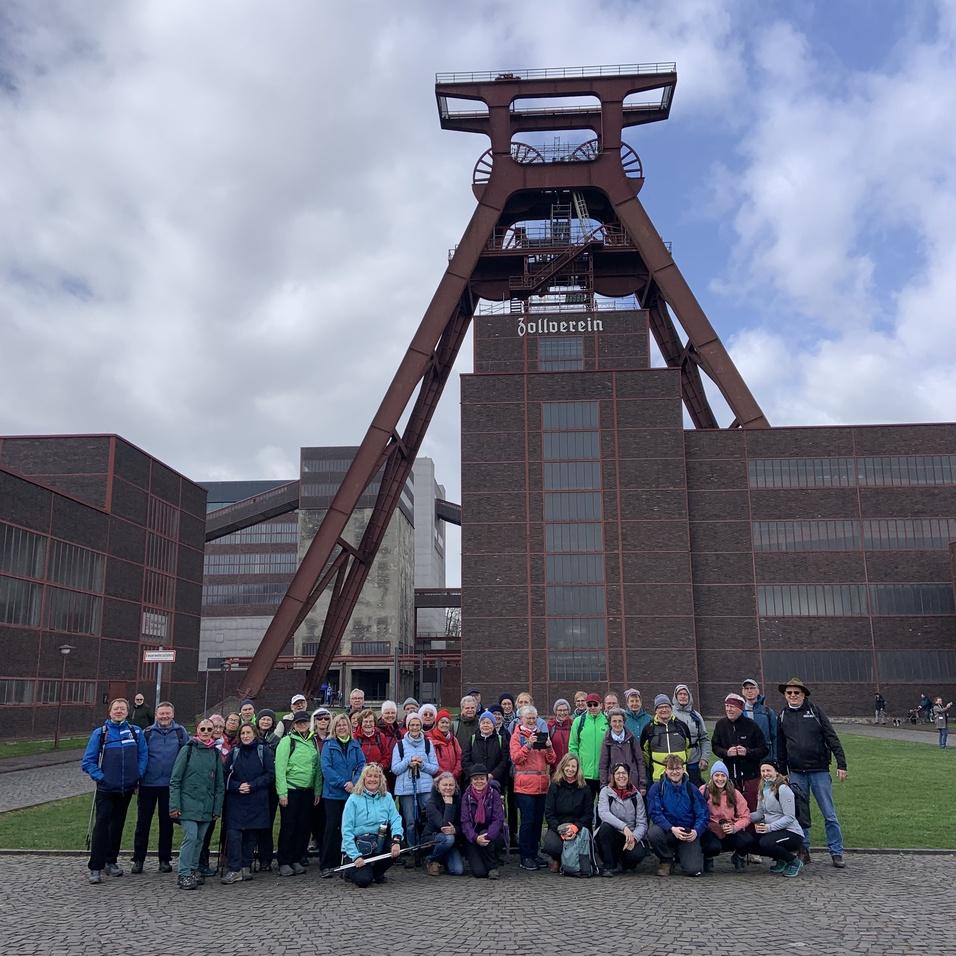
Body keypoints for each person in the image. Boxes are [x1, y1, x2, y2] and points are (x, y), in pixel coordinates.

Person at [776, 677, 848, 868]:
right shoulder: (782, 715)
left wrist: (842, 764)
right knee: (801, 814)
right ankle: (803, 850)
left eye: (796, 693)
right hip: (797, 773)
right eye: (789, 693)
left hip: (819, 771)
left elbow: (832, 737)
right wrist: (782, 772)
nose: (793, 696)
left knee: (829, 813)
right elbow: (781, 746)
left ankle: (836, 851)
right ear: (785, 695)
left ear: (803, 694)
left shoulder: (815, 712)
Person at [81, 698, 148, 884]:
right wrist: (101, 777)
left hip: (126, 789)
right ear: (110, 712)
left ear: (128, 712)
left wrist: (137, 774)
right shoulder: (101, 733)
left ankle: (111, 861)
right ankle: (96, 866)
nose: (119, 711)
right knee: (102, 826)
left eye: (123, 709)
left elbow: (143, 756)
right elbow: (88, 761)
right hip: (106, 789)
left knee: (117, 826)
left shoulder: (136, 732)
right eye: (116, 709)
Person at [131, 700, 188, 874]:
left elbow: (186, 754)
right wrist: (137, 780)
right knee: (143, 824)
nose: (164, 716)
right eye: (161, 713)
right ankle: (138, 859)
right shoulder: (146, 733)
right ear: (156, 715)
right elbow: (139, 756)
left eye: (167, 713)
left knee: (167, 824)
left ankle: (165, 859)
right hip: (148, 784)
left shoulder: (180, 732)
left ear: (173, 714)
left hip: (170, 786)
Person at [169, 718, 224, 890]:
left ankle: (193, 870)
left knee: (200, 840)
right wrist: (174, 805)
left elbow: (219, 784)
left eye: (209, 729)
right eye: (203, 729)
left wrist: (216, 808)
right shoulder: (188, 750)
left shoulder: (214, 753)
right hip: (187, 803)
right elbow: (175, 779)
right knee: (191, 837)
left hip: (206, 805)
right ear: (197, 730)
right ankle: (184, 873)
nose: (206, 732)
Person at [221, 722, 275, 884]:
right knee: (234, 834)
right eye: (243, 733)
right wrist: (237, 787)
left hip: (256, 798)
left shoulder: (263, 751)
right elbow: (224, 775)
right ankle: (234, 868)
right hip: (236, 799)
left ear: (254, 734)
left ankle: (245, 866)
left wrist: (252, 785)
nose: (245, 736)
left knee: (251, 835)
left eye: (248, 733)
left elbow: (270, 775)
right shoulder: (234, 752)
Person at [340, 763, 404, 888]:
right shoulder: (353, 799)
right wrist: (355, 856)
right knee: (364, 881)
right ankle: (350, 871)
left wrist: (396, 840)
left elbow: (396, 819)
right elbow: (346, 830)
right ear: (363, 779)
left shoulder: (387, 797)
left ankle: (376, 872)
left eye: (376, 776)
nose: (373, 779)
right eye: (369, 776)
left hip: (378, 842)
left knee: (398, 846)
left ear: (381, 779)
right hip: (358, 846)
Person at [510, 704, 557, 870]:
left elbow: (551, 760)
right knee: (527, 822)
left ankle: (534, 853)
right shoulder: (517, 736)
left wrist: (550, 746)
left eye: (533, 718)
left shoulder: (541, 735)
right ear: (521, 719)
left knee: (537, 822)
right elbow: (516, 758)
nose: (531, 721)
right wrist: (528, 745)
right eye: (528, 718)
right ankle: (525, 856)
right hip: (524, 786)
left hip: (541, 785)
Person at [275, 710, 322, 877]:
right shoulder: (287, 741)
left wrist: (317, 789)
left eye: (304, 722)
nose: (302, 725)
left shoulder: (312, 742)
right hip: (292, 790)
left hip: (307, 791)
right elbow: (280, 768)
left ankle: (296, 857)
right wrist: (282, 793)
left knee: (303, 827)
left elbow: (316, 768)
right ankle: (284, 861)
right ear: (294, 725)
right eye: (299, 722)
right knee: (289, 826)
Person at [646, 754, 708, 878]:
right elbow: (655, 813)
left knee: (694, 870)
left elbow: (703, 814)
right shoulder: (657, 788)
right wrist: (671, 828)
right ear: (666, 770)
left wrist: (696, 831)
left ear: (683, 769)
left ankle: (682, 856)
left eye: (678, 768)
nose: (675, 772)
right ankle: (666, 859)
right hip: (668, 831)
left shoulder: (692, 789)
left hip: (687, 832)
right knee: (653, 833)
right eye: (671, 769)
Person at [319, 712, 365, 876]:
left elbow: (361, 765)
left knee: (350, 828)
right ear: (334, 727)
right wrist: (343, 783)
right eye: (338, 725)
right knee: (332, 828)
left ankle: (347, 860)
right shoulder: (328, 745)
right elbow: (326, 768)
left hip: (351, 793)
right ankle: (327, 864)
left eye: (344, 724)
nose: (341, 727)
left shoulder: (355, 744)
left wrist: (354, 782)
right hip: (333, 794)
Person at [392, 712, 439, 862]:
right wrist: (408, 762)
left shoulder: (427, 744)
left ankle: (427, 847)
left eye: (417, 724)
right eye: (412, 724)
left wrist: (422, 764)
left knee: (427, 818)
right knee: (410, 821)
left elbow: (434, 768)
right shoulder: (399, 745)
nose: (414, 727)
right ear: (407, 726)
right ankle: (412, 850)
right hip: (407, 788)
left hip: (425, 788)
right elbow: (395, 769)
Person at [710, 693, 768, 811]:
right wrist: (726, 753)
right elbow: (715, 746)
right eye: (726, 706)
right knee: (731, 808)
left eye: (732, 706)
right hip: (729, 776)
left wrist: (747, 752)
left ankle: (752, 830)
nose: (728, 709)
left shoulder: (751, 725)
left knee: (752, 808)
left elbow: (764, 749)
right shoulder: (721, 725)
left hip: (750, 776)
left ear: (740, 708)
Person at [751, 760, 805, 878]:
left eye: (768, 770)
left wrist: (769, 827)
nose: (766, 773)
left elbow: (790, 817)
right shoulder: (762, 788)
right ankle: (782, 859)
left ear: (776, 772)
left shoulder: (783, 789)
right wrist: (743, 818)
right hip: (774, 831)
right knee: (749, 840)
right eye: (763, 771)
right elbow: (760, 813)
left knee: (766, 843)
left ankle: (793, 862)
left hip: (791, 832)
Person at [542, 754, 593, 874]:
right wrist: (561, 830)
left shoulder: (585, 788)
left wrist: (575, 827)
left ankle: (575, 862)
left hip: (578, 826)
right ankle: (558, 859)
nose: (570, 769)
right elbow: (549, 813)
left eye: (573, 766)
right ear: (562, 767)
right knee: (551, 846)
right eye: (568, 766)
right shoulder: (555, 785)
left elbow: (588, 814)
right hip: (558, 826)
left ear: (578, 768)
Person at [698, 759, 753, 872]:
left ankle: (739, 857)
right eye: (717, 775)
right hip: (711, 830)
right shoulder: (704, 791)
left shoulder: (735, 793)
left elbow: (746, 816)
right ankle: (708, 858)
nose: (720, 779)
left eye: (723, 775)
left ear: (727, 777)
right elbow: (699, 813)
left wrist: (734, 827)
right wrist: (712, 825)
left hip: (730, 829)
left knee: (748, 840)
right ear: (712, 777)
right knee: (712, 846)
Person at [595, 762, 648, 876]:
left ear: (629, 775)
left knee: (637, 853)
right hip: (612, 834)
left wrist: (634, 838)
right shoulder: (605, 792)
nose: (621, 776)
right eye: (618, 773)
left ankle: (625, 864)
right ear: (613, 776)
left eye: (624, 773)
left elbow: (642, 823)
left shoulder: (636, 795)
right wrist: (624, 827)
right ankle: (609, 866)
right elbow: (604, 813)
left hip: (630, 836)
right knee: (605, 828)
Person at [460, 764, 506, 879]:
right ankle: (482, 860)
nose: (478, 781)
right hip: (473, 836)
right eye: (475, 779)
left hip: (490, 833)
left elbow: (498, 818)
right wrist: (475, 838)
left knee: (486, 834)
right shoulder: (466, 796)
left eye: (482, 778)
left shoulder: (494, 794)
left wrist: (489, 835)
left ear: (487, 779)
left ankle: (492, 868)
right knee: (479, 872)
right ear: (471, 781)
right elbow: (465, 822)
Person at [640, 695, 691, 783]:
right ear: (656, 710)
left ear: (671, 708)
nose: (664, 710)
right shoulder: (648, 728)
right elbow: (644, 752)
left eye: (666, 706)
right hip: (658, 777)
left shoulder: (681, 726)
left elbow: (689, 747)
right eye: (660, 707)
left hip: (680, 775)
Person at [423, 771, 464, 875]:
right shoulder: (431, 803)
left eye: (451, 785)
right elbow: (444, 827)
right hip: (432, 838)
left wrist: (456, 830)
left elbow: (463, 825)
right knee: (448, 838)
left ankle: (440, 860)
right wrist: (449, 805)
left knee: (457, 871)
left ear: (455, 787)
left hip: (452, 841)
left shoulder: (459, 801)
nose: (448, 788)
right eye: (445, 785)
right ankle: (431, 860)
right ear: (438, 787)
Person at [255, 708, 281, 871]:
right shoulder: (251, 736)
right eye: (263, 719)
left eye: (269, 719)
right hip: (255, 785)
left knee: (267, 822)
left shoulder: (277, 740)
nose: (265, 722)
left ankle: (266, 858)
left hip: (270, 785)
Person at [569, 692, 608, 797]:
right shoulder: (578, 721)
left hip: (603, 774)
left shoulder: (607, 722)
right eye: (589, 705)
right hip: (584, 774)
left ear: (601, 705)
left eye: (595, 704)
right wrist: (577, 767)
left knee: (603, 808)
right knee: (585, 808)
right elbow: (573, 746)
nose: (592, 707)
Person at [599, 707, 646, 794]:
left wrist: (642, 784)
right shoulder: (607, 741)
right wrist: (603, 785)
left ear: (624, 722)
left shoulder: (631, 739)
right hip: (613, 783)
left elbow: (640, 761)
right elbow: (603, 765)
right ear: (610, 722)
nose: (617, 724)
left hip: (632, 782)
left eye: (620, 721)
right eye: (614, 721)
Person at [671, 684, 710, 786]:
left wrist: (704, 758)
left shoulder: (696, 716)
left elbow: (704, 738)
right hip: (676, 760)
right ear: (675, 696)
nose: (683, 696)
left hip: (693, 760)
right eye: (680, 694)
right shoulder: (669, 714)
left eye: (685, 694)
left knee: (694, 788)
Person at [462, 710, 508, 784]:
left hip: (495, 781)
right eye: (483, 723)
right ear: (479, 725)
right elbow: (465, 759)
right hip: (475, 781)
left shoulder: (501, 740)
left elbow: (504, 760)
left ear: (493, 725)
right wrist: (476, 774)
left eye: (488, 723)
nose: (485, 725)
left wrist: (493, 774)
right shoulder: (472, 739)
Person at [741, 678, 780, 766]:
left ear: (758, 691)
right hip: (746, 758)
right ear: (743, 692)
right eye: (746, 689)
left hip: (766, 758)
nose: (749, 691)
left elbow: (775, 737)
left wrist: (775, 758)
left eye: (752, 688)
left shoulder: (768, 712)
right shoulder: (739, 712)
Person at [354, 708, 392, 775]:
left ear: (374, 723)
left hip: (377, 775)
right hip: (360, 775)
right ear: (361, 723)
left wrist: (380, 766)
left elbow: (387, 756)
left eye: (371, 721)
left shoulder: (380, 737)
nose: (368, 724)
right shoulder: (355, 738)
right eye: (365, 721)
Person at [430, 709, 463, 782]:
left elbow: (459, 758)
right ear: (437, 723)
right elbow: (430, 761)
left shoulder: (453, 740)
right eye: (442, 722)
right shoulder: (430, 740)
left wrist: (454, 774)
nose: (444, 725)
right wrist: (444, 776)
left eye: (447, 722)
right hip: (437, 780)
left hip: (453, 779)